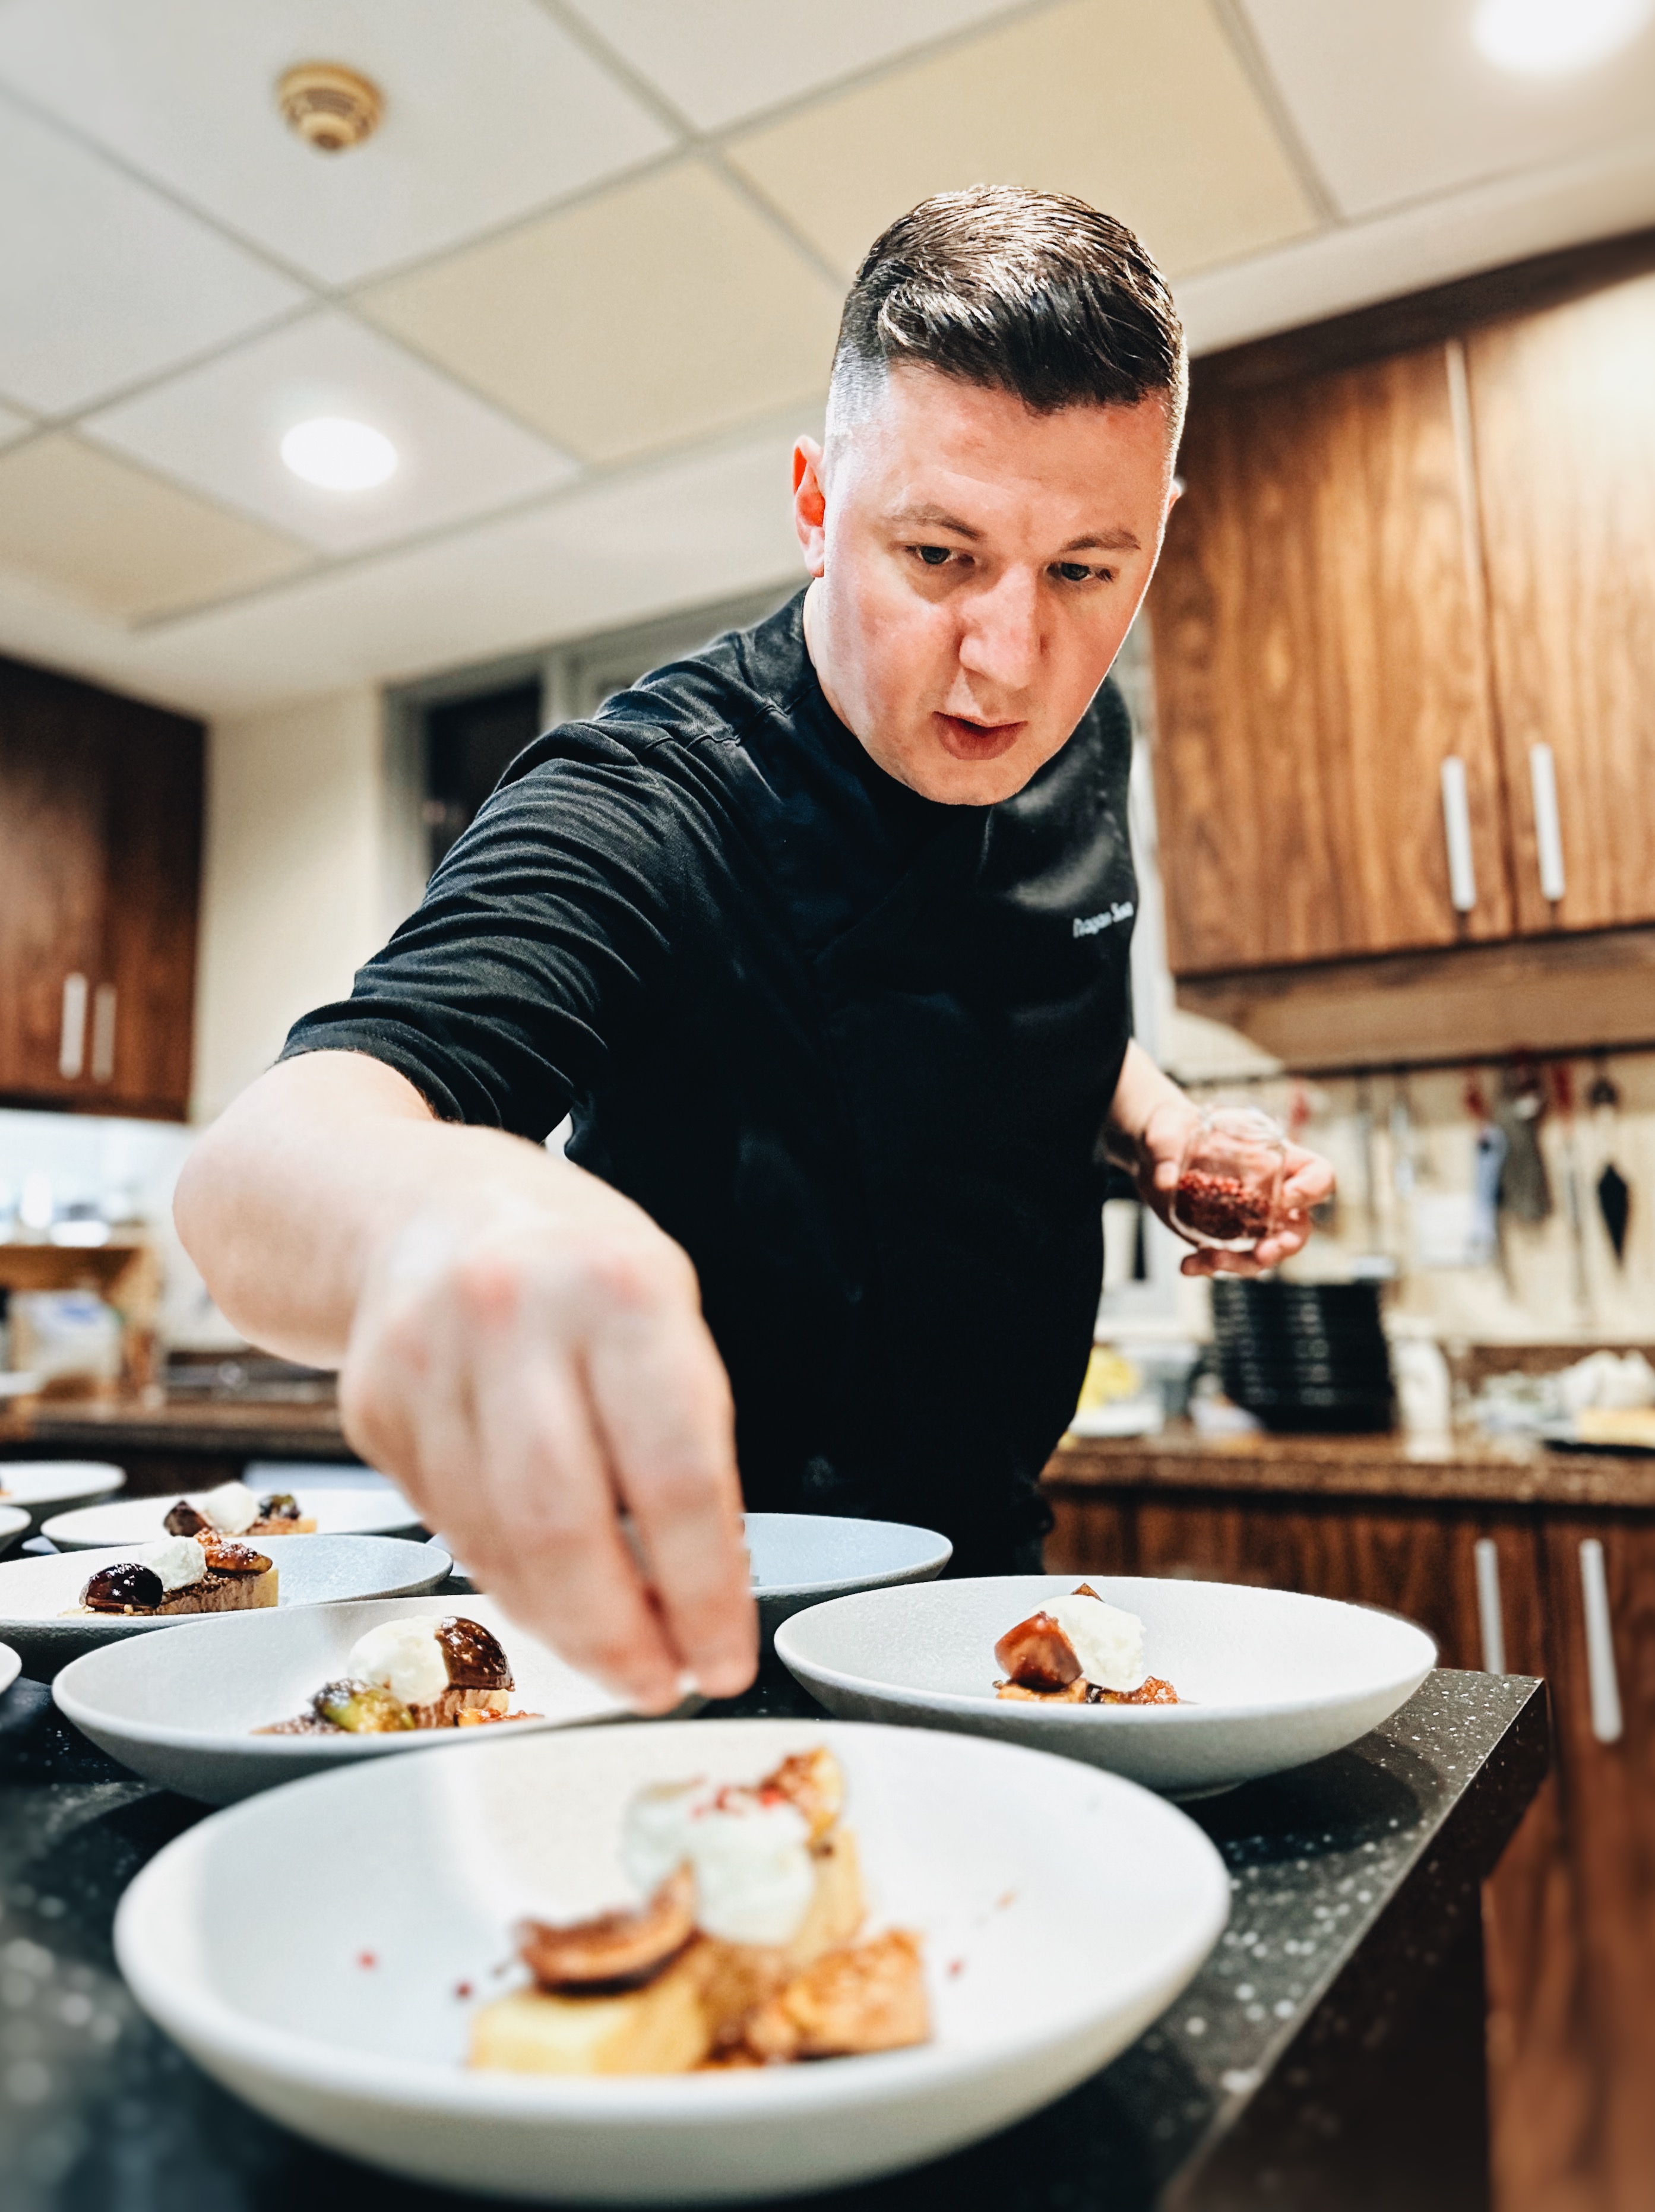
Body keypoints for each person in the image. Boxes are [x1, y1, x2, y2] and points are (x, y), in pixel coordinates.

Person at [177, 186, 1334, 1716]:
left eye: (1082, 572)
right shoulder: (646, 795)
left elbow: (1015, 987)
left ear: (1154, 534)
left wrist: (1158, 1128)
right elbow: (257, 1175)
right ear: (811, 502)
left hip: (987, 1568)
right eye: (936, 554)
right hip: (690, 1606)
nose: (1010, 657)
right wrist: (444, 1219)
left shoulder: (1081, 726)